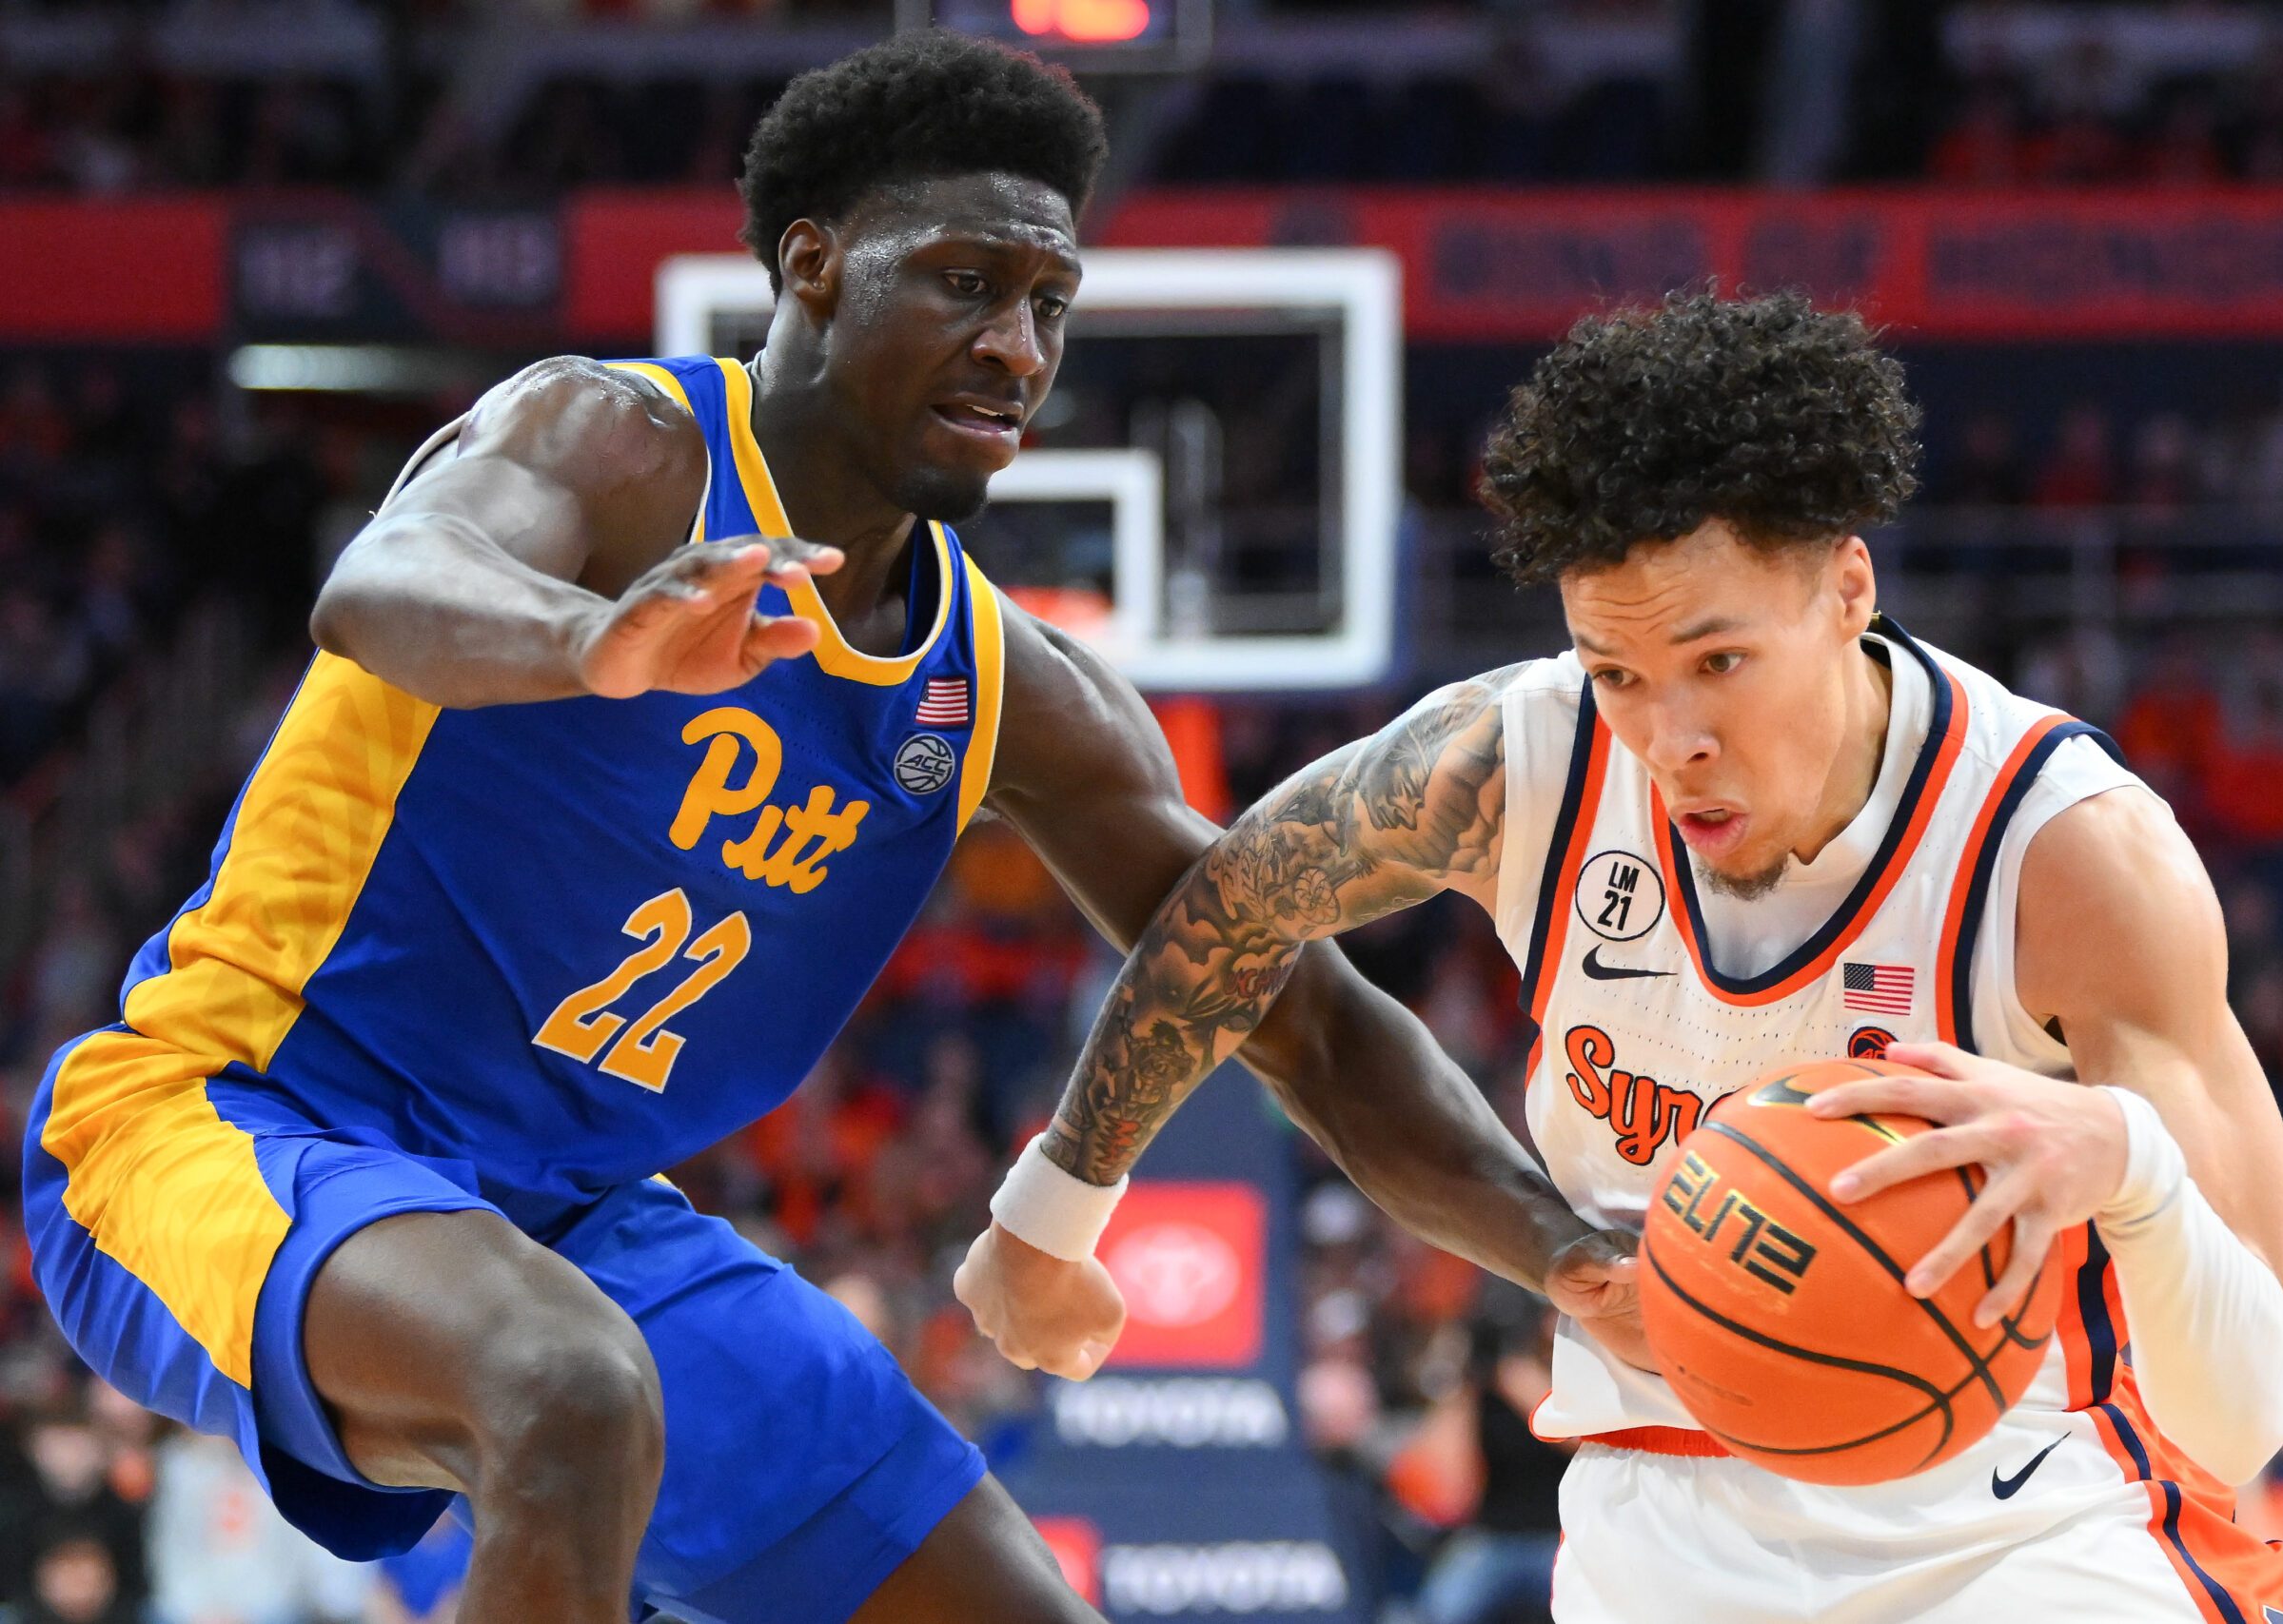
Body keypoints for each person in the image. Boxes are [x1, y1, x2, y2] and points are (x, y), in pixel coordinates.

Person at [23, 34, 1636, 1624]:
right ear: (812, 265)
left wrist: (1563, 1252)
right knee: (566, 1388)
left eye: (1046, 304)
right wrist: (594, 643)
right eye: (961, 282)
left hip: (574, 1218)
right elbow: (380, 589)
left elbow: (1302, 1014)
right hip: (222, 1122)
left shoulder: (1009, 686)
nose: (1015, 344)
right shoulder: (620, 445)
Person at [965, 291, 2283, 1622]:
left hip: (2025, 1519)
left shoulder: (2066, 852)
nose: (1671, 738)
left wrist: (2130, 1167)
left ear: (1850, 587)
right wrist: (1053, 1209)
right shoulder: (1513, 760)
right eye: (1618, 673)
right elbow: (1233, 908)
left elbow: (2245, 1419)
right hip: (1655, 1522)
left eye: (1719, 661)